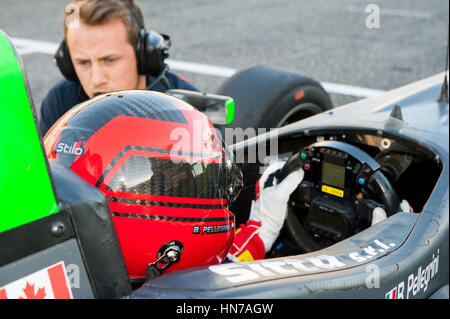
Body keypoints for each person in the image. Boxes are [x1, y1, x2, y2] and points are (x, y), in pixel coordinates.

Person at [39, 0, 198, 136]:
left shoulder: (190, 110)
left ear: (144, 54)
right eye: (83, 63)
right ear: (66, 62)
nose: (97, 80)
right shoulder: (60, 104)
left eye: (109, 60)